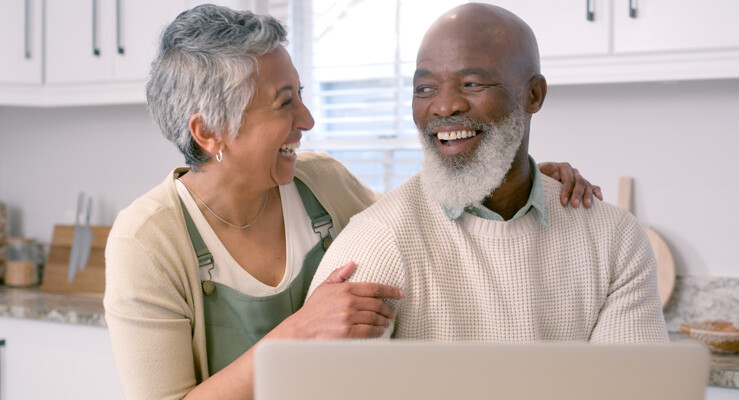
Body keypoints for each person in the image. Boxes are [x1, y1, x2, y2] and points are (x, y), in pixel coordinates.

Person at [104, 4, 603, 400]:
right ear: (210, 131)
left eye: (300, 94)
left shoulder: (320, 183)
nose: (307, 119)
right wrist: (296, 333)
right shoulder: (148, 240)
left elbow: (432, 215)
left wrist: (524, 176)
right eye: (285, 102)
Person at [309, 3, 669, 344]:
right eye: (425, 88)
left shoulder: (614, 238)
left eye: (472, 84)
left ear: (534, 95)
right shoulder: (378, 241)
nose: (445, 105)